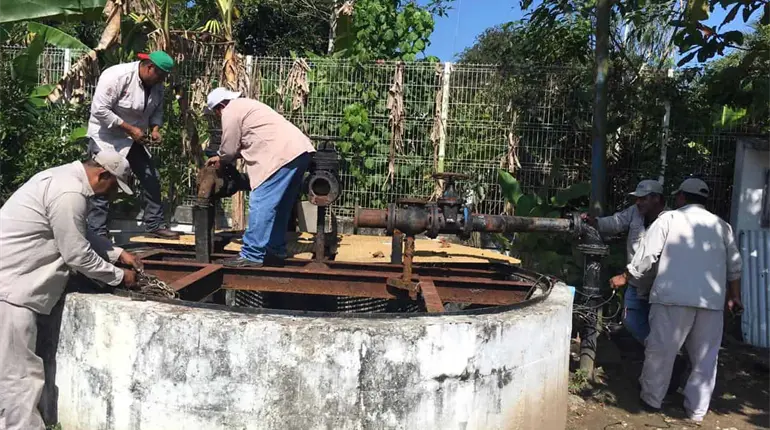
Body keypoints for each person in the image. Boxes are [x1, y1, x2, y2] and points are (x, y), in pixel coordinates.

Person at [0, 152, 142, 430]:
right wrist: (120, 277)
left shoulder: (61, 178)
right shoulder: (70, 192)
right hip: (12, 289)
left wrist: (117, 252)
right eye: (115, 187)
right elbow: (76, 254)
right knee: (20, 377)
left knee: (12, 371)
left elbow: (75, 231)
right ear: (103, 175)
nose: (113, 196)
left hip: (10, 285)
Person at [609, 178, 742, 422]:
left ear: (681, 197)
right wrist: (735, 297)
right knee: (705, 359)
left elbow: (647, 255)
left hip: (672, 298)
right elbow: (734, 266)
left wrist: (625, 276)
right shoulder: (722, 226)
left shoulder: (668, 219)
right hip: (711, 302)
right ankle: (697, 411)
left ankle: (651, 400)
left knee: (661, 351)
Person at [204, 87, 316, 267]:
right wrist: (226, 156)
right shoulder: (247, 105)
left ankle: (252, 254)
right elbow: (250, 141)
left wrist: (221, 159)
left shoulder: (230, 111)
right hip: (299, 151)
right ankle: (275, 249)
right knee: (280, 206)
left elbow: (229, 148)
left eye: (216, 113)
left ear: (219, 107)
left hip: (280, 156)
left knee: (261, 202)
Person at [86, 50, 179, 239]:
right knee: (103, 181)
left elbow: (157, 110)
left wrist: (155, 129)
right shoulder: (116, 76)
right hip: (106, 137)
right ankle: (97, 233)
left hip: (134, 138)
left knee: (151, 177)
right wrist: (130, 129)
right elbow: (99, 110)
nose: (162, 81)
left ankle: (154, 225)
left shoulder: (157, 86)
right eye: (161, 76)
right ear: (150, 67)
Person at [582, 179, 667, 343]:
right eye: (637, 198)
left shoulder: (670, 219)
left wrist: (624, 277)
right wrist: (595, 222)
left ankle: (660, 352)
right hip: (636, 280)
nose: (638, 202)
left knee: (659, 323)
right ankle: (656, 349)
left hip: (659, 284)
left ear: (656, 198)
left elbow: (651, 255)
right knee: (631, 320)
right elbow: (616, 222)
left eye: (643, 198)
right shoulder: (634, 212)